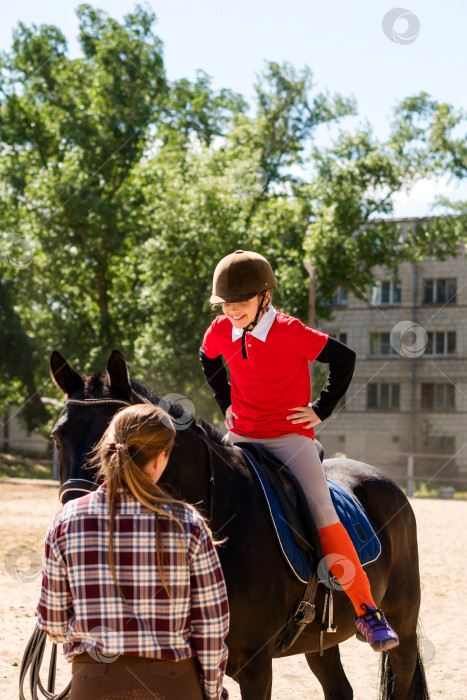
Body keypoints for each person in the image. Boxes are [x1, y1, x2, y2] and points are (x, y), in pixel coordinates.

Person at [199, 249, 399, 652]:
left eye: (241, 302)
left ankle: (367, 612)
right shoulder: (220, 330)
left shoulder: (290, 331)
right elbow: (208, 360)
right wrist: (226, 405)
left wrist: (320, 410)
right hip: (241, 436)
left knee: (323, 513)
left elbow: (344, 359)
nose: (232, 311)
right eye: (226, 304)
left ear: (264, 298)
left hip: (290, 438)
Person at [37, 404, 230, 699]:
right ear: (160, 458)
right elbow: (212, 626)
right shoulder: (189, 524)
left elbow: (53, 624)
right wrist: (213, 692)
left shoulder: (65, 520)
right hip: (174, 683)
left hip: (93, 683)